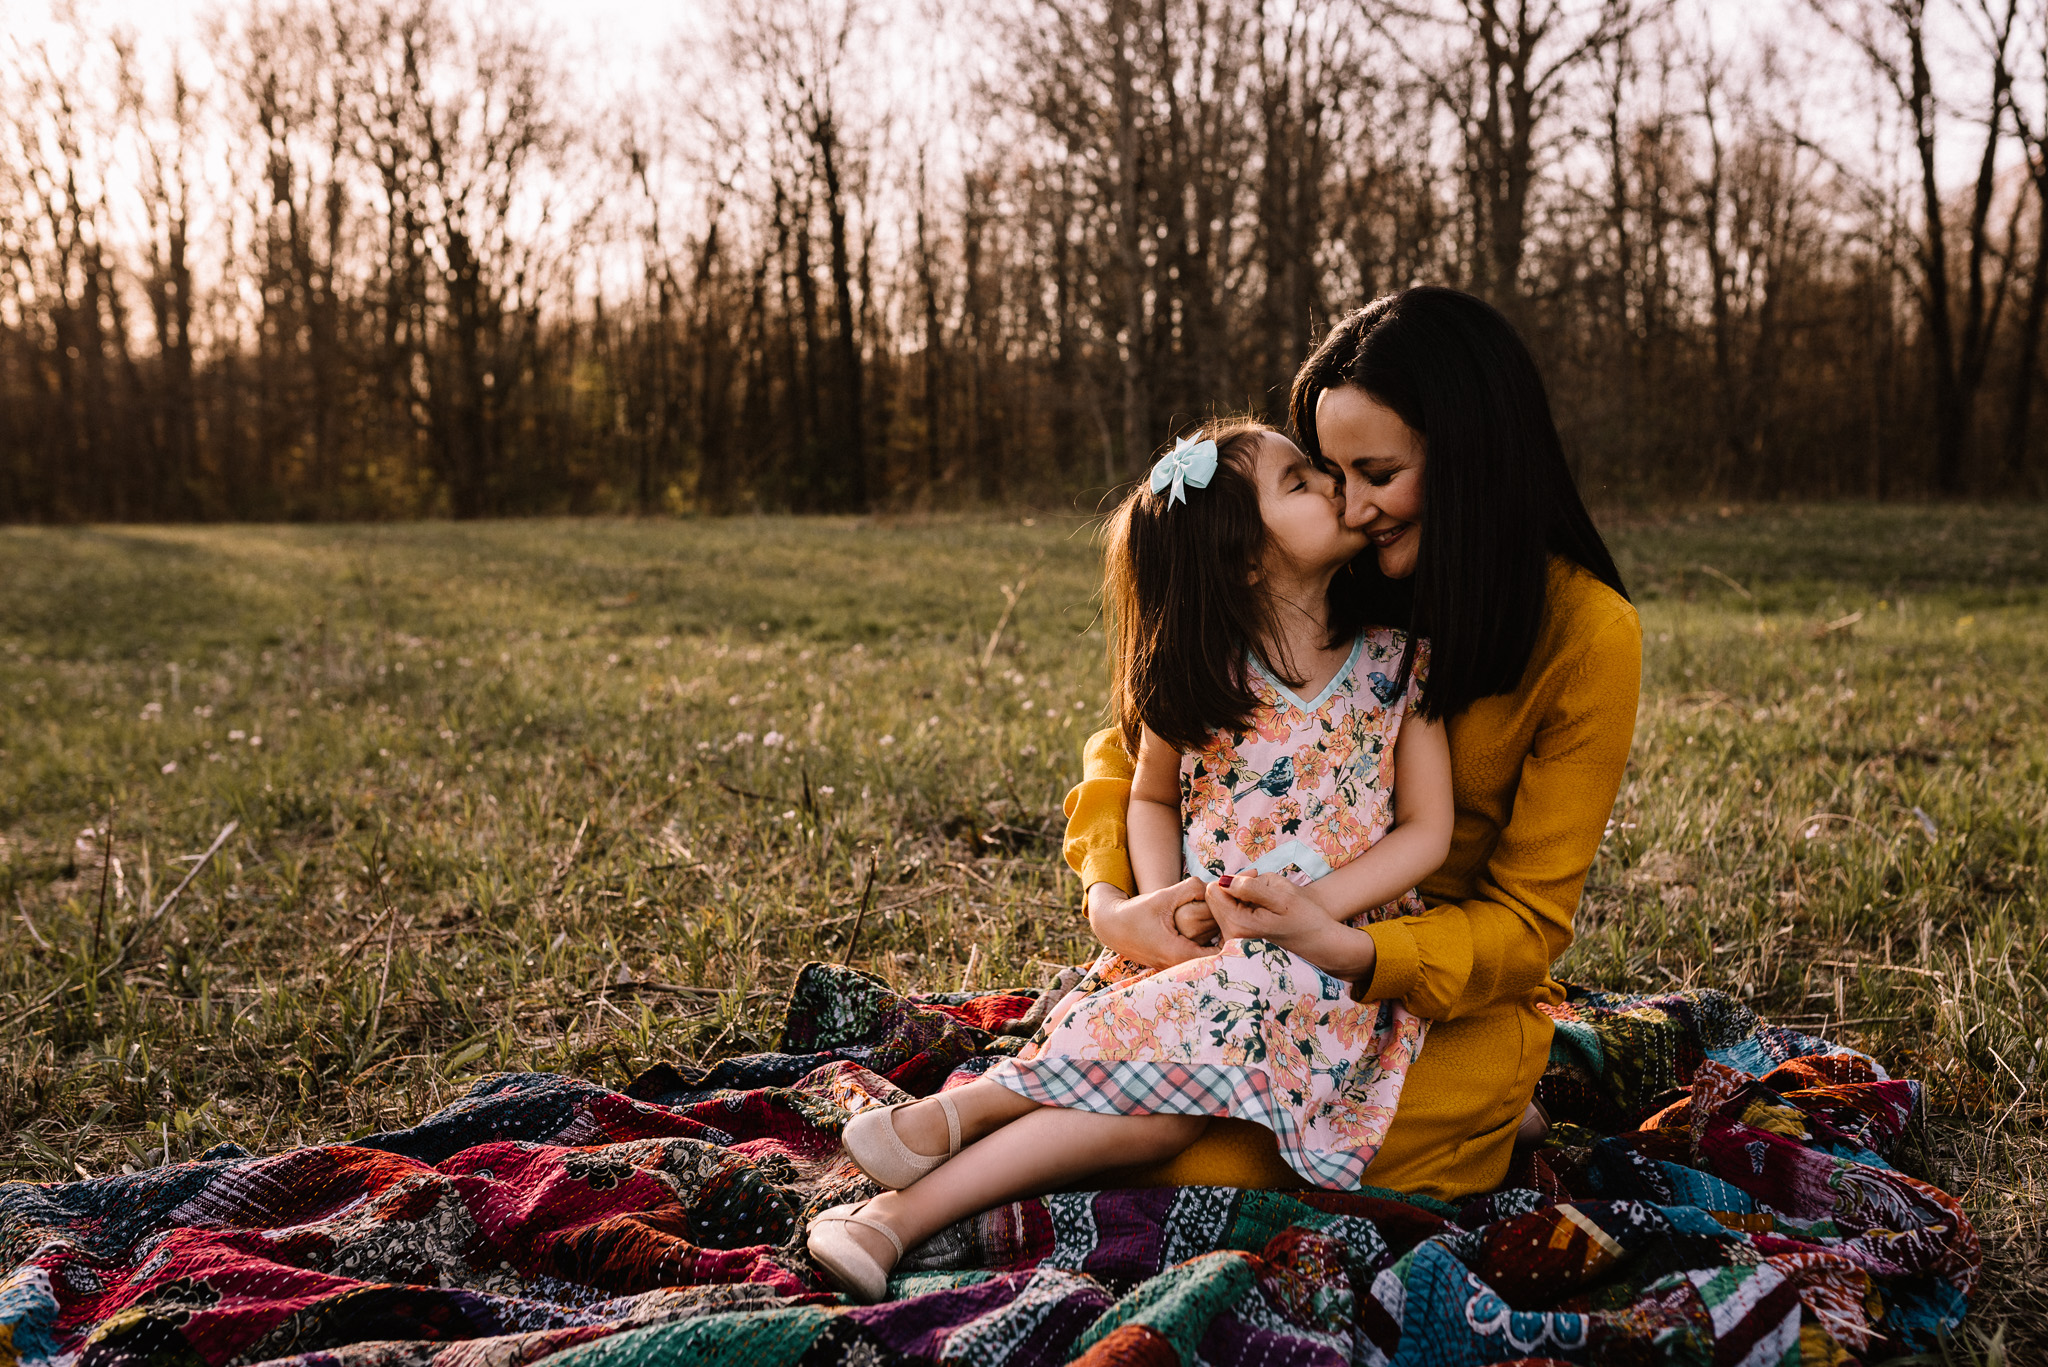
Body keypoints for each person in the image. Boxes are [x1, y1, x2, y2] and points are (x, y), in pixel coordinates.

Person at [807, 417, 1455, 1301]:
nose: (1337, 486)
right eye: (1302, 481)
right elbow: (1148, 797)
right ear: (1244, 560)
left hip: (1327, 968)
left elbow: (1426, 830)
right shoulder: (1201, 672)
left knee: (1187, 1067)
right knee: (1156, 1115)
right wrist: (1162, 899)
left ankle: (958, 1121)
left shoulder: (1398, 666)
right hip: (1206, 955)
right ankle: (885, 1221)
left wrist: (1317, 912)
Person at [1068, 286, 1641, 1202]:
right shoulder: (1341, 572)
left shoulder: (1586, 636)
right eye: (1330, 472)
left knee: (1202, 1165)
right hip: (1246, 973)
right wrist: (1114, 903)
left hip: (1425, 995)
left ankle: (1497, 1108)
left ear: (1469, 455)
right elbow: (1134, 747)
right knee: (1124, 1113)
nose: (1351, 502)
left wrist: (1352, 949)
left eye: (1376, 472)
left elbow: (1526, 924)